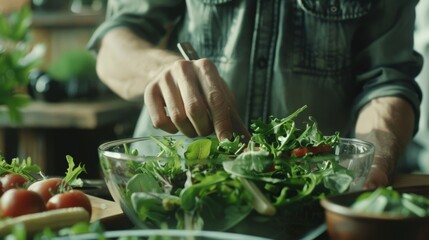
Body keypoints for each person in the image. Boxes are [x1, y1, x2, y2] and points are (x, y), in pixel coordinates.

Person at [88, 0, 423, 189]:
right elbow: (114, 42)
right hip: (170, 191)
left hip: (304, 197)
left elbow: (386, 80)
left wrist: (375, 162)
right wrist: (157, 70)